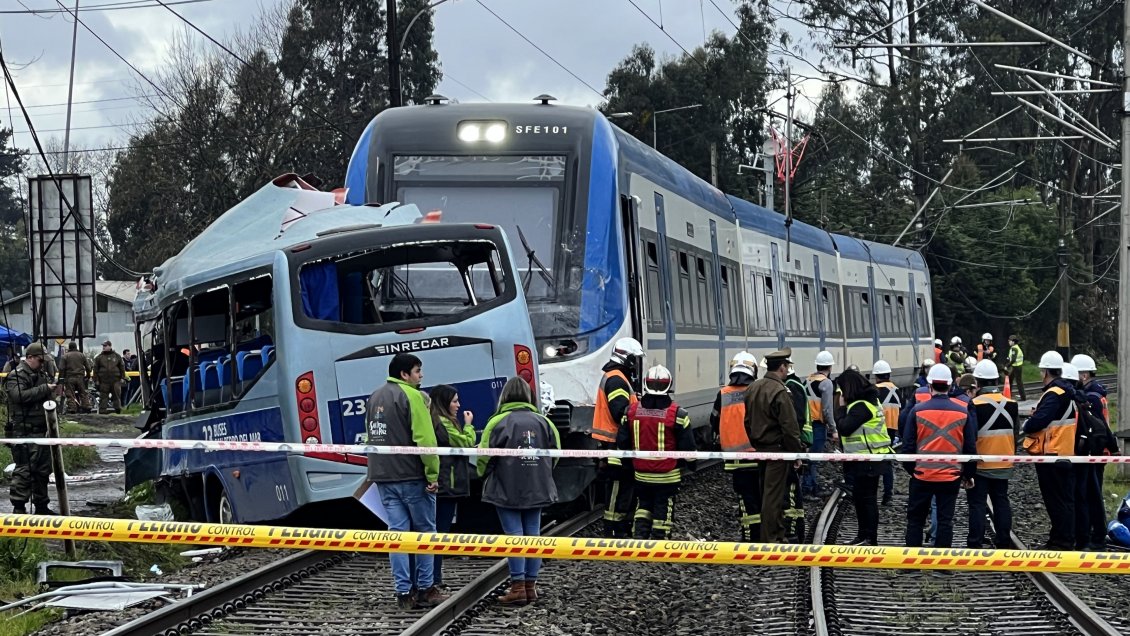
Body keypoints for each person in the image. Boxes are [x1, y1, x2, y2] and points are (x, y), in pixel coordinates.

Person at [365, 352, 447, 610]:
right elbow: (425, 440)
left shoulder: (374, 396)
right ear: (404, 374)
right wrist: (432, 475)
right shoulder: (412, 396)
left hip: (383, 476)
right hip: (412, 476)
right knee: (425, 533)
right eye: (417, 371)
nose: (421, 376)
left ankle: (403, 592)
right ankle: (426, 588)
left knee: (397, 534)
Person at [478, 377, 561, 606]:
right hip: (537, 487)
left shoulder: (497, 422)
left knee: (514, 536)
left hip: (506, 488)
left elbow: (484, 456)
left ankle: (516, 586)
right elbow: (557, 453)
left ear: (505, 396)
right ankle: (530, 587)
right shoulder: (544, 422)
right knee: (533, 534)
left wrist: (482, 474)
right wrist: (542, 474)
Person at [900, 363, 977, 548]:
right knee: (945, 520)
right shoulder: (962, 412)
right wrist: (968, 474)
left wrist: (914, 470)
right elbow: (970, 447)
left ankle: (911, 562)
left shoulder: (917, 411)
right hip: (950, 476)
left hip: (922, 475)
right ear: (951, 386)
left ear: (930, 385)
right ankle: (942, 563)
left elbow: (907, 447)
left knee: (915, 520)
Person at [619, 364, 694, 540]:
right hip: (668, 475)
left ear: (645, 384)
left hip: (641, 474)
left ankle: (640, 536)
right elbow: (688, 447)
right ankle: (661, 541)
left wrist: (628, 465)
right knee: (663, 507)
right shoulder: (678, 414)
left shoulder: (631, 411)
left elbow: (622, 442)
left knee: (643, 505)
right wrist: (691, 465)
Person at [745, 348, 805, 543]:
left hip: (760, 448)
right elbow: (789, 426)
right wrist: (796, 453)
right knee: (773, 496)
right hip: (778, 450)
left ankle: (776, 533)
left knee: (766, 492)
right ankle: (771, 538)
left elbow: (747, 421)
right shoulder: (780, 390)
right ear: (781, 367)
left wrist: (756, 441)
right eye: (787, 366)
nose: (788, 370)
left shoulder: (754, 387)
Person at [1021, 351, 1077, 550]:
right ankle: (1064, 538)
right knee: (1065, 499)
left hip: (1052, 453)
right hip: (1064, 451)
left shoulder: (1054, 394)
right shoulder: (1067, 391)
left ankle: (1061, 542)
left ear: (1045, 371)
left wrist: (1028, 423)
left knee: (1056, 500)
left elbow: (1040, 420)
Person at [592, 337, 643, 538]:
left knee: (624, 486)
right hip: (614, 443)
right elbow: (620, 412)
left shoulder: (617, 377)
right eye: (635, 359)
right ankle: (613, 528)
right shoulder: (616, 380)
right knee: (617, 486)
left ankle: (621, 526)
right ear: (627, 358)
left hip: (617, 443)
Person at [837, 369, 894, 545]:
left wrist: (840, 407)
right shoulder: (868, 402)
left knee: (866, 500)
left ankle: (869, 537)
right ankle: (865, 536)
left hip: (868, 460)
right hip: (868, 458)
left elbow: (844, 427)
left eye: (841, 390)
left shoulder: (861, 406)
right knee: (862, 499)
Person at [428, 384, 476, 590]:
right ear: (444, 402)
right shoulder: (444, 423)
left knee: (437, 532)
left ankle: (432, 577)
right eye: (455, 401)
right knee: (439, 532)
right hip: (447, 484)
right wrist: (469, 425)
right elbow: (466, 443)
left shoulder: (437, 421)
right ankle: (434, 578)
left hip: (445, 483)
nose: (458, 405)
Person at [710, 352, 761, 540]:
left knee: (746, 500)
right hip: (759, 456)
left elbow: (713, 421)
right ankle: (763, 534)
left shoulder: (723, 394)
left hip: (736, 459)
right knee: (761, 496)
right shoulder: (757, 391)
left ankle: (750, 537)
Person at [967, 360, 1017, 548]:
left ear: (977, 383)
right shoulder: (1012, 404)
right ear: (996, 380)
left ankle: (975, 542)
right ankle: (1004, 541)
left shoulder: (974, 404)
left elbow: (970, 436)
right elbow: (1016, 433)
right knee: (1001, 501)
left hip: (981, 463)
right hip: (1004, 462)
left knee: (978, 504)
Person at [5, 342, 59, 515]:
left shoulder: (40, 374)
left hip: (41, 429)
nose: (42, 364)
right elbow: (19, 396)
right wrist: (44, 388)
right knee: (24, 470)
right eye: (39, 360)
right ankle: (19, 507)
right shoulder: (17, 375)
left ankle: (41, 505)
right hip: (24, 430)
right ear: (29, 358)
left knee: (43, 470)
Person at [1071, 354, 1118, 550]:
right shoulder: (1098, 394)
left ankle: (1096, 533)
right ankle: (1095, 531)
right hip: (1101, 449)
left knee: (1092, 493)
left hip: (1097, 450)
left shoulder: (1091, 397)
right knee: (1093, 492)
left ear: (1083, 375)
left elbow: (1097, 426)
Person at [803, 351, 838, 496]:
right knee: (814, 457)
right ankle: (809, 488)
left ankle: (810, 485)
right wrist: (833, 428)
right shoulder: (826, 383)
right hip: (818, 424)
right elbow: (827, 409)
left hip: (806, 424)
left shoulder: (808, 379)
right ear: (829, 367)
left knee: (808, 456)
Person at [873, 361, 901, 506]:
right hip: (891, 429)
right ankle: (888, 494)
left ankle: (872, 493)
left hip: (877, 429)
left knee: (874, 461)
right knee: (887, 461)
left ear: (876, 376)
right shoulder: (895, 390)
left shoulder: (874, 390)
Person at [93, 341, 127, 414]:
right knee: (103, 397)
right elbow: (95, 370)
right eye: (103, 346)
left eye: (105, 345)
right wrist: (96, 380)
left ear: (110, 346)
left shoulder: (117, 356)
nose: (104, 347)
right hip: (103, 381)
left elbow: (122, 367)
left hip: (115, 381)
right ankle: (102, 412)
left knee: (116, 396)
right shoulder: (99, 357)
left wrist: (122, 378)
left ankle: (118, 411)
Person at [58, 342, 92, 414]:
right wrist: (88, 376)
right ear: (76, 347)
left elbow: (61, 368)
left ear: (69, 348)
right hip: (80, 378)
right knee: (83, 393)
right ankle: (87, 406)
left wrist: (60, 379)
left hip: (69, 378)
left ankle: (72, 408)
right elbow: (88, 368)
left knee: (70, 394)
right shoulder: (81, 355)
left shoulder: (65, 356)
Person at [1006, 335, 1026, 401]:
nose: (1008, 342)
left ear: (1013, 342)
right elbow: (1012, 358)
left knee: (1019, 382)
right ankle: (1008, 395)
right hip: (1017, 366)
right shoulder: (1016, 347)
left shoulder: (1014, 348)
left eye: (1010, 341)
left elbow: (1013, 359)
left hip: (1017, 367)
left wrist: (1007, 366)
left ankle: (1023, 397)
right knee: (1010, 379)